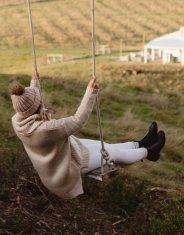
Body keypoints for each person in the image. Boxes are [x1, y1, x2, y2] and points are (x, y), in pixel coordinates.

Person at [10, 72, 165, 199]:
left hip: (61, 156)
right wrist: (91, 92)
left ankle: (139, 144)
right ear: (37, 106)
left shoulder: (18, 120)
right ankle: (149, 152)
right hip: (63, 171)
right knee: (112, 153)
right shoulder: (46, 130)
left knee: (104, 146)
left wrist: (34, 83)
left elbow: (29, 104)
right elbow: (77, 120)